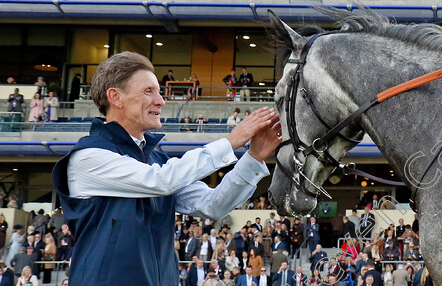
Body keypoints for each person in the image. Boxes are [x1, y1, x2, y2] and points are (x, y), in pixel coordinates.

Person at [51, 51, 283, 285]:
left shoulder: (158, 161)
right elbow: (160, 181)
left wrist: (254, 157)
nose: (161, 101)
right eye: (148, 91)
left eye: (159, 92)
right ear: (116, 97)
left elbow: (213, 205)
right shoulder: (89, 157)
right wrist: (230, 143)